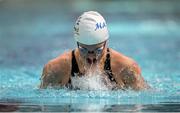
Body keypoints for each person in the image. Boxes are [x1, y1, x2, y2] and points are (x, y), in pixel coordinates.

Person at [40, 11, 149, 90]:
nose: (91, 57)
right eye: (84, 50)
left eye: (98, 50)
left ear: (106, 42)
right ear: (77, 44)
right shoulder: (55, 70)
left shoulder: (127, 69)